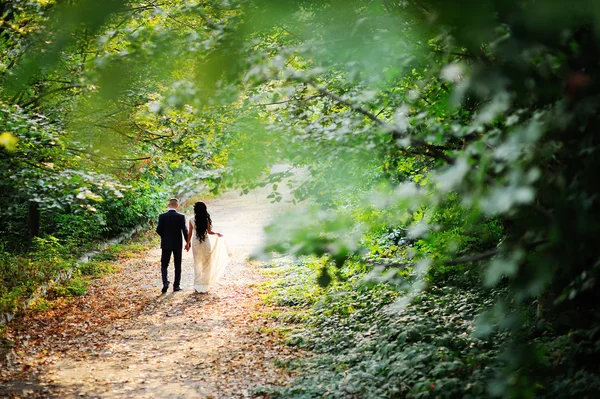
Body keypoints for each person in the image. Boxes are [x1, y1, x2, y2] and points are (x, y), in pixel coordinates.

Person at [185, 201, 231, 293]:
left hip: (195, 243)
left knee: (197, 262)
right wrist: (217, 233)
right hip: (205, 242)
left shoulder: (191, 220)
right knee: (206, 262)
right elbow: (209, 232)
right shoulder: (206, 219)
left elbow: (190, 233)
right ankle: (205, 284)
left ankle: (197, 285)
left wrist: (187, 244)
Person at [156, 198, 188, 293]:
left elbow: (158, 230)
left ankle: (165, 283)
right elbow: (185, 231)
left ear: (168, 205)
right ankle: (176, 286)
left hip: (166, 244)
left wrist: (164, 236)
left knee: (164, 265)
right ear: (177, 206)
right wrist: (188, 243)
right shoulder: (181, 216)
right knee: (177, 265)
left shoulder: (162, 216)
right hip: (177, 244)